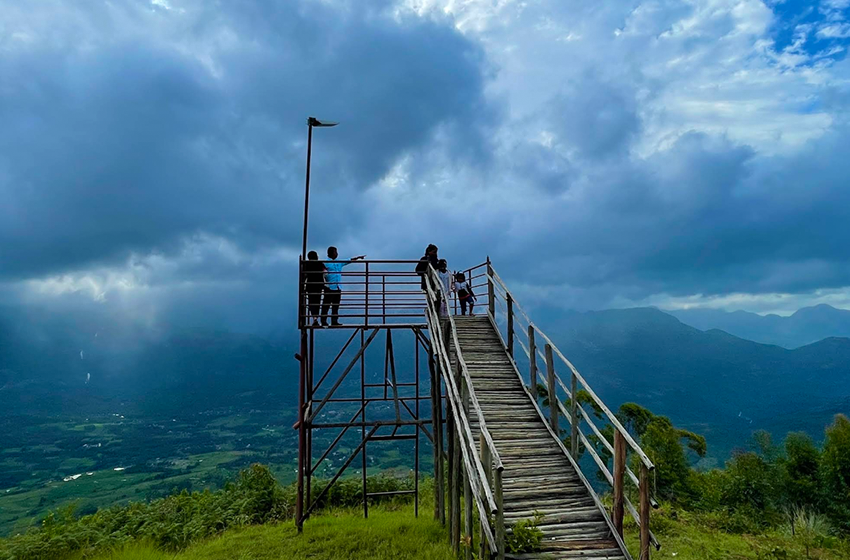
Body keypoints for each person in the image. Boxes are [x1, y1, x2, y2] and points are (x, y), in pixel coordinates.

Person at [321, 246, 365, 327]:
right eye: (335, 252)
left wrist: (357, 258)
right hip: (329, 286)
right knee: (326, 305)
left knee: (335, 305)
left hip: (338, 287)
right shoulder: (325, 262)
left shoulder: (339, 262)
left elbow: (348, 260)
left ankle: (334, 321)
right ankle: (323, 320)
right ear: (331, 253)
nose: (337, 254)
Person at [303, 251, 326, 327]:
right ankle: (316, 318)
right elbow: (325, 272)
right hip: (319, 285)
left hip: (310, 285)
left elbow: (305, 275)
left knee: (311, 302)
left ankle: (315, 318)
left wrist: (303, 285)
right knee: (317, 302)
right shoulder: (320, 263)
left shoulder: (306, 264)